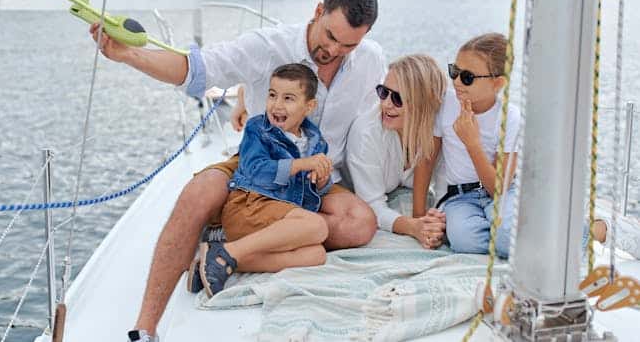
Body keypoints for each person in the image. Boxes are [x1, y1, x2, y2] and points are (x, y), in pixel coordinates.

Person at [90, 0, 382, 340]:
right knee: (197, 195)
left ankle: (222, 249)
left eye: (348, 45)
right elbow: (196, 70)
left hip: (314, 177)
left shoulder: (371, 60)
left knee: (360, 224)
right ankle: (144, 328)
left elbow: (380, 119)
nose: (334, 50)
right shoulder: (269, 45)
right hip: (257, 169)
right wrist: (129, 54)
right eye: (330, 36)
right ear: (318, 12)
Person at [197, 63, 332, 297]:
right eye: (272, 95)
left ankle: (219, 258)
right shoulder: (258, 129)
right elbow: (255, 170)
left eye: (288, 98)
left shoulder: (315, 141)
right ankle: (223, 255)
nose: (277, 104)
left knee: (316, 255)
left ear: (309, 106)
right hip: (249, 206)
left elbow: (313, 189)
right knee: (318, 226)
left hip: (274, 220)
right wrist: (300, 165)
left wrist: (321, 181)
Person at [413, 33, 520, 258]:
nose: (456, 82)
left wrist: (472, 143)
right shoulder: (446, 105)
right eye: (454, 71)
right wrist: (418, 216)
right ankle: (512, 239)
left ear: (498, 83)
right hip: (459, 197)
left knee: (506, 235)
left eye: (468, 77)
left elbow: (497, 190)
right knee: (463, 240)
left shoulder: (509, 117)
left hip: (501, 193)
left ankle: (586, 232)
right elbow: (426, 160)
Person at [346, 54, 449, 249]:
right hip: (354, 199)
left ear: (423, 103)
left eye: (398, 98)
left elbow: (444, 190)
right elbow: (372, 205)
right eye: (383, 92)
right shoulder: (366, 132)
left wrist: (435, 222)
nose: (386, 104)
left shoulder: (439, 132)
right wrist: (413, 227)